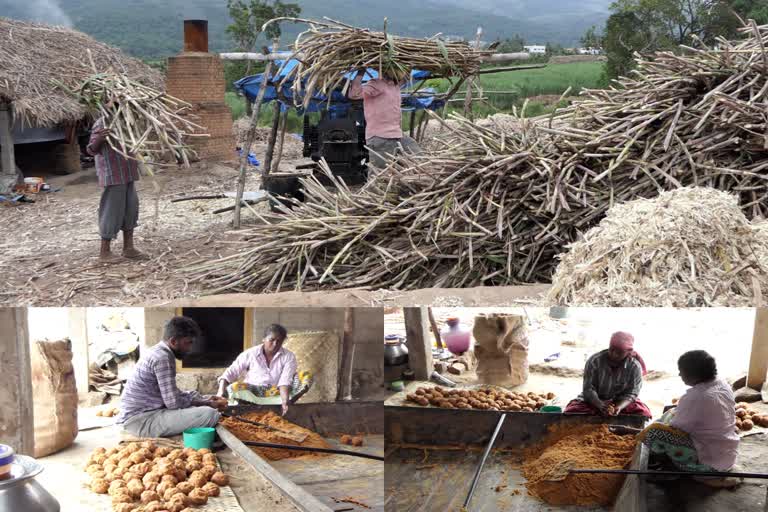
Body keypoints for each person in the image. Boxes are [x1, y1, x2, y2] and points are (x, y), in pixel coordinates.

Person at [116, 316, 227, 437]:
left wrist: (203, 399)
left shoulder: (157, 351)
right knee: (209, 414)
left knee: (195, 395)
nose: (190, 349)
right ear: (173, 341)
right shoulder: (162, 358)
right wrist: (207, 404)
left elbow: (172, 395)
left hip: (149, 412)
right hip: (141, 420)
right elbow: (173, 403)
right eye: (187, 343)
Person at [635, 351, 739, 477]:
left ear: (694, 374)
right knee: (671, 412)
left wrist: (638, 431)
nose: (679, 374)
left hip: (709, 464)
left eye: (681, 371)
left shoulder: (697, 397)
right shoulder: (722, 383)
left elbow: (676, 429)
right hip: (727, 454)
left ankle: (667, 463)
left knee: (655, 432)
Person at [86, 112, 145, 261]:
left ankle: (128, 248)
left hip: (128, 172)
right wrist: (100, 139)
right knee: (112, 211)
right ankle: (104, 252)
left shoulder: (128, 121)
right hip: (113, 174)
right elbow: (91, 150)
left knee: (131, 209)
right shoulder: (103, 123)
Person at [564, 331, 652, 418]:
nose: (614, 354)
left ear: (628, 352)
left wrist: (619, 407)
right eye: (611, 349)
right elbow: (588, 389)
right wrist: (600, 405)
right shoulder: (595, 361)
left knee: (644, 414)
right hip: (595, 400)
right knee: (571, 412)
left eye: (619, 352)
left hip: (621, 401)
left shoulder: (634, 367)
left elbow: (632, 393)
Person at [217, 324, 298, 416]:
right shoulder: (250, 354)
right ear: (263, 339)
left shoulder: (288, 356)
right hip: (251, 392)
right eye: (271, 340)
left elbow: (285, 381)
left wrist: (285, 401)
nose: (275, 344)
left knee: (306, 377)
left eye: (279, 341)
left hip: (274, 393)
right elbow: (231, 372)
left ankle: (278, 404)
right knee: (233, 387)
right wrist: (220, 392)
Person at [347, 68, 421, 168]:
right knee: (380, 174)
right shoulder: (377, 84)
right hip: (380, 137)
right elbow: (354, 95)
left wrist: (409, 66)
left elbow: (406, 77)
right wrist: (361, 71)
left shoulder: (395, 86)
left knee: (419, 158)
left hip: (397, 135)